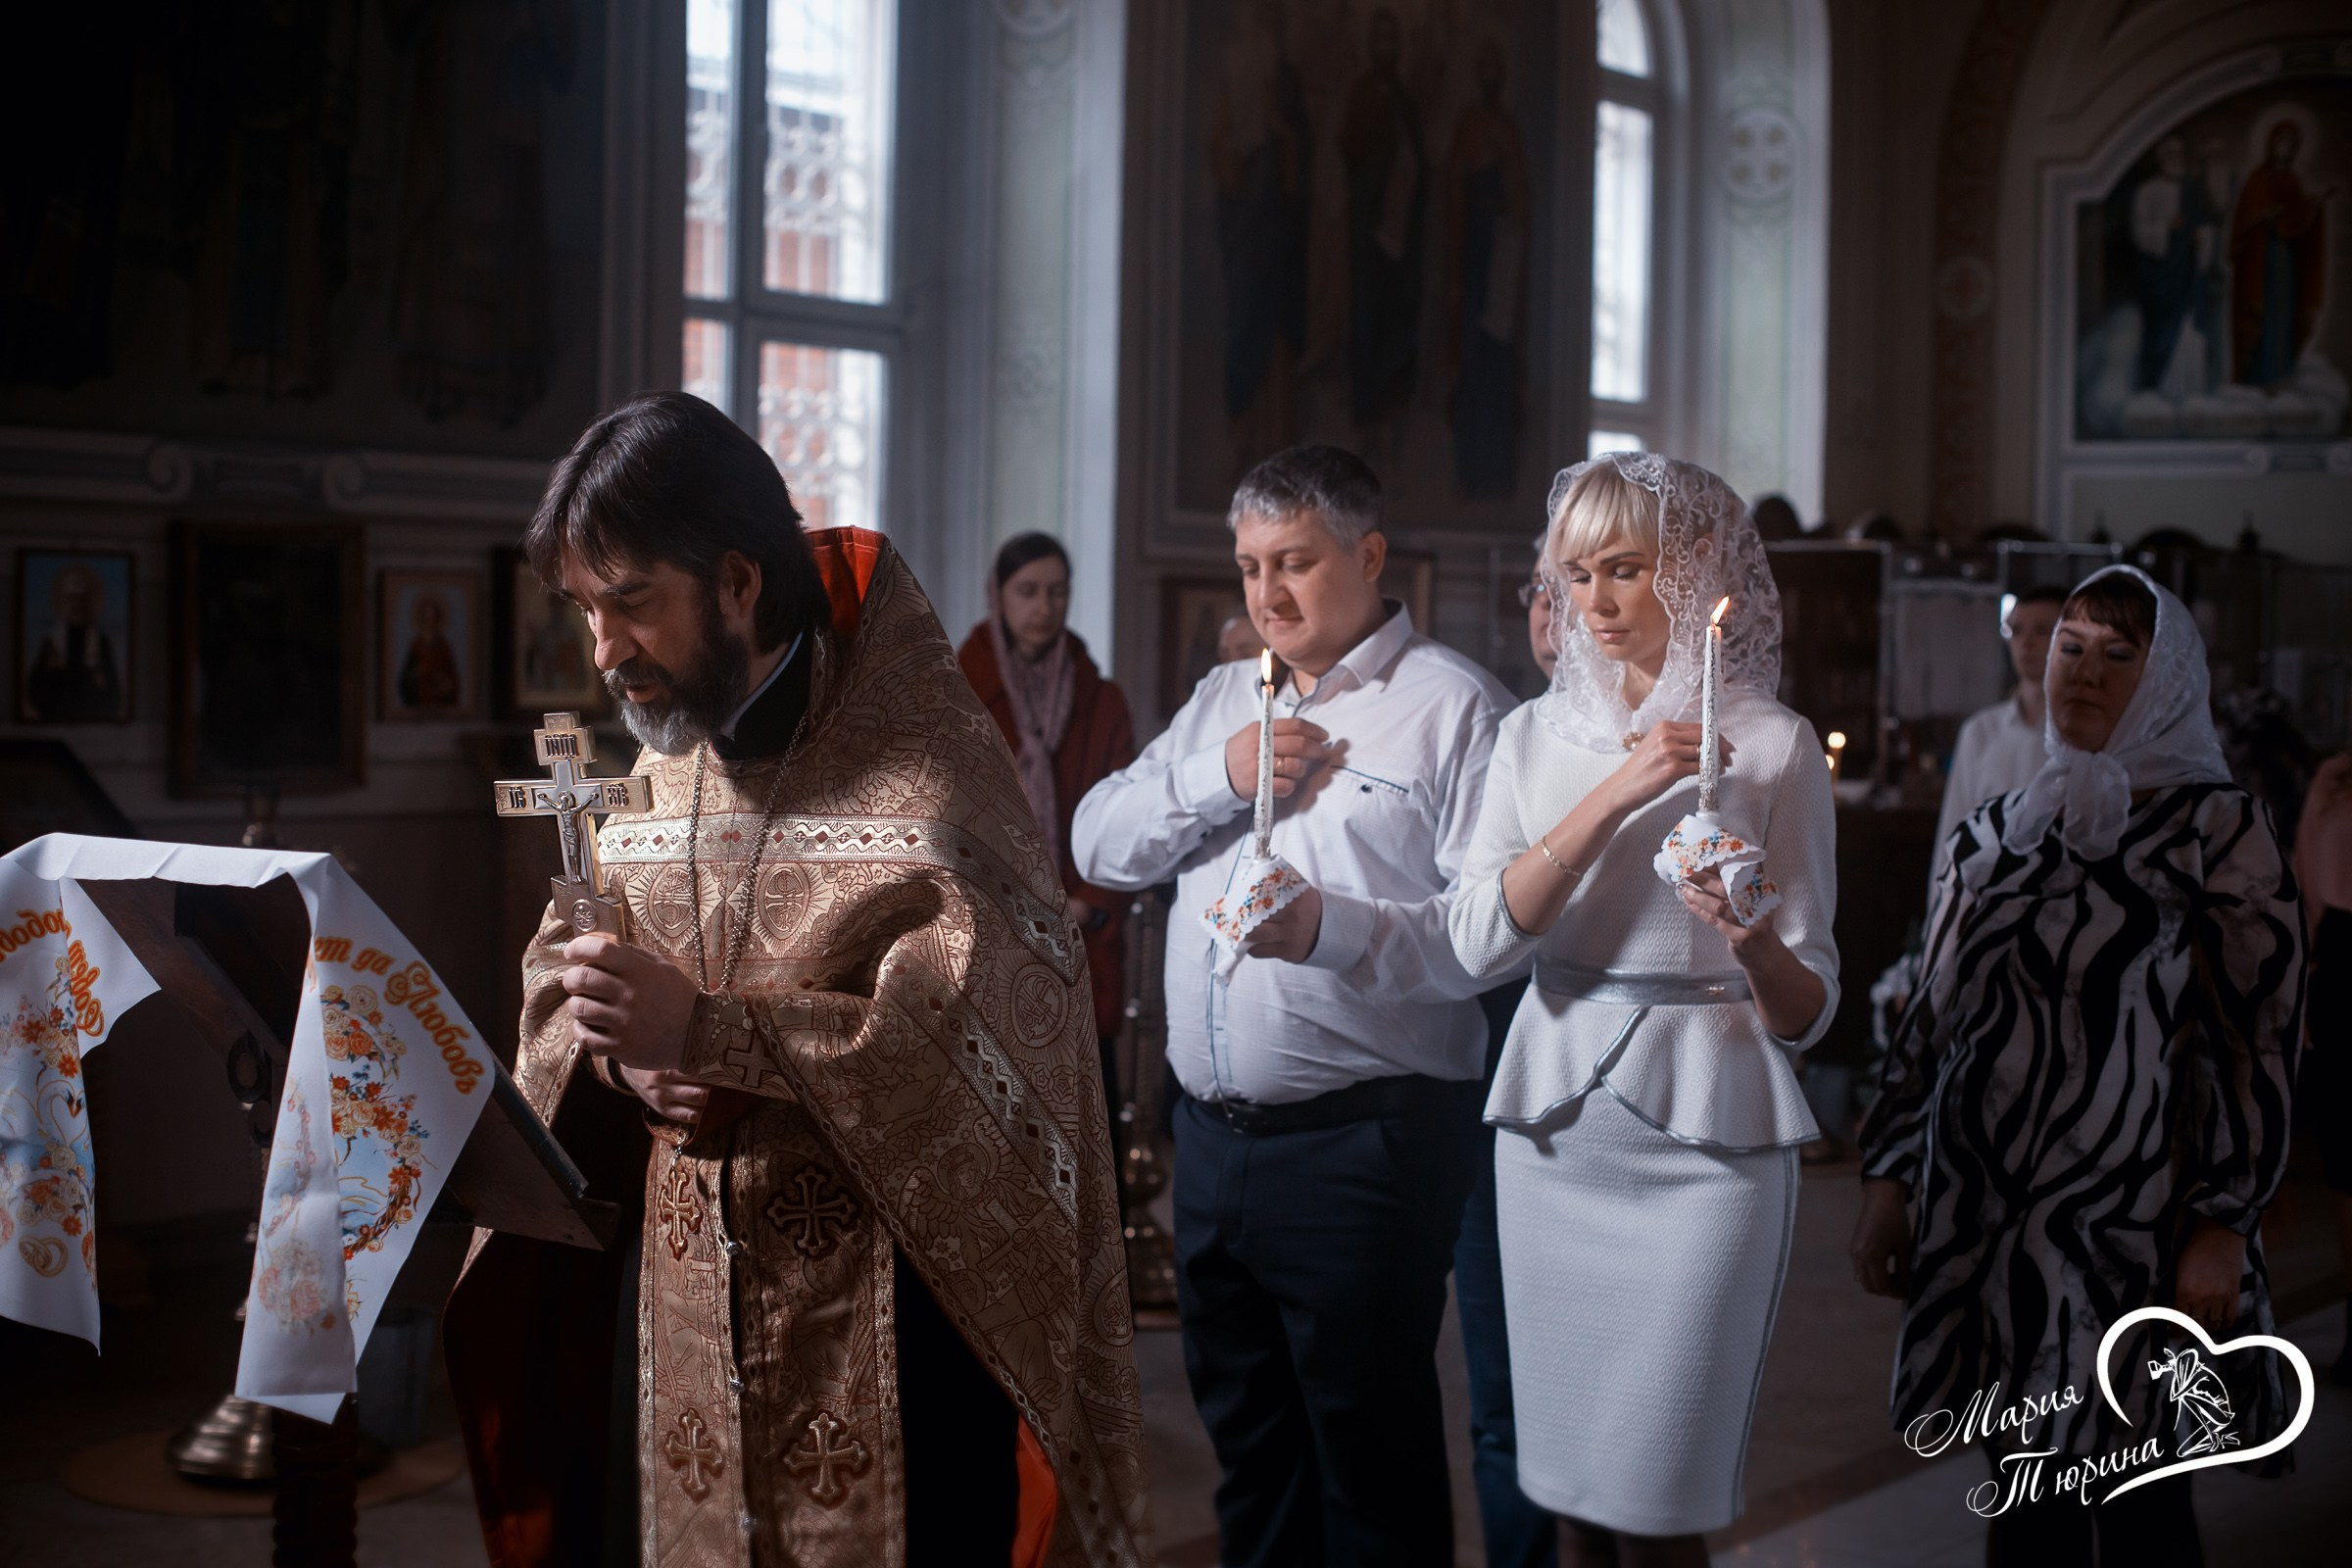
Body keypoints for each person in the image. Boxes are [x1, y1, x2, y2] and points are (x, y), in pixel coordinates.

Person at [444, 393, 1150, 1568]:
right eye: (586, 610)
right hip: (677, 1315)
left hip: (894, 1328)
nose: (604, 651)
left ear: (736, 582)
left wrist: (715, 1035)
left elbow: (977, 1055)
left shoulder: (927, 781)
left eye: (632, 603)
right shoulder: (652, 787)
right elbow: (564, 994)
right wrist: (621, 1059)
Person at [1072, 444, 1511, 1567]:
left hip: (1367, 1144)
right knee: (1252, 1453)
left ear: (1369, 555)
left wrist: (1330, 930)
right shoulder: (1225, 697)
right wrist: (1217, 777)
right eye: (1250, 565)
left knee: (1368, 1466)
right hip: (1212, 1145)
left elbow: (1494, 940)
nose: (1267, 592)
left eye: (1296, 561)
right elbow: (1098, 842)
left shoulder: (1457, 709)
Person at [1852, 565, 2304, 1566]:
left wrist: (2225, 1222)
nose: (2084, 673)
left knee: (2144, 1510)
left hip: (2141, 1228)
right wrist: (1888, 1178)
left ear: (2165, 679)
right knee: (2027, 1510)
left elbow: (2259, 1040)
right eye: (2070, 648)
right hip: (1995, 1230)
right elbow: (1928, 1018)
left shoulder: (2220, 832)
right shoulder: (1995, 833)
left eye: (2117, 654)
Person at [1449, 453, 1837, 1567]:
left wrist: (1750, 937)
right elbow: (1477, 942)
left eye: (1625, 569)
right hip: (1555, 1136)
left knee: (1665, 1501)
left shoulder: (1775, 745)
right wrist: (1620, 790)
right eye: (1576, 576)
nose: (1597, 603)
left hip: (1712, 1142)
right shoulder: (1529, 738)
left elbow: (1811, 1009)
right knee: (1572, 1499)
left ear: (1696, 564)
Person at [1454, 541, 1560, 1568]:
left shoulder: (1686, 750)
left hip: (1631, 1119)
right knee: (1505, 1393)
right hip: (1497, 1094)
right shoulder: (1515, 738)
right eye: (1544, 589)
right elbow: (1468, 932)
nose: (1556, 610)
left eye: (1589, 581)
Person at [957, 532, 1138, 1123]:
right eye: (1028, 591)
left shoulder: (1102, 700)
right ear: (997, 595)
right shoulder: (957, 692)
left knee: (1087, 1125)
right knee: (992, 1130)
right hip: (985, 937)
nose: (1043, 607)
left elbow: (1126, 820)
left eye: (1057, 592)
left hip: (1077, 939)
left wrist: (1086, 905)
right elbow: (939, 809)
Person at [1931, 584, 2065, 881]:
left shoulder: (2080, 733)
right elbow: (1953, 831)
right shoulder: (1980, 731)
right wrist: (1941, 902)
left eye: (2042, 631)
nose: (2026, 642)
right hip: (1984, 893)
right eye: (2016, 631)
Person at [2296, 751, 2352, 1385]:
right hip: (2342, 962)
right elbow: (2306, 884)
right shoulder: (2335, 778)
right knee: (2346, 1162)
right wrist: (2305, 985)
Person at [24, 563, 123, 722]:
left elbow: (113, 694)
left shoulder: (100, 642)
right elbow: (35, 691)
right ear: (64, 602)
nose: (77, 605)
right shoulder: (53, 643)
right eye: (71, 599)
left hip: (93, 719)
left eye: (81, 599)